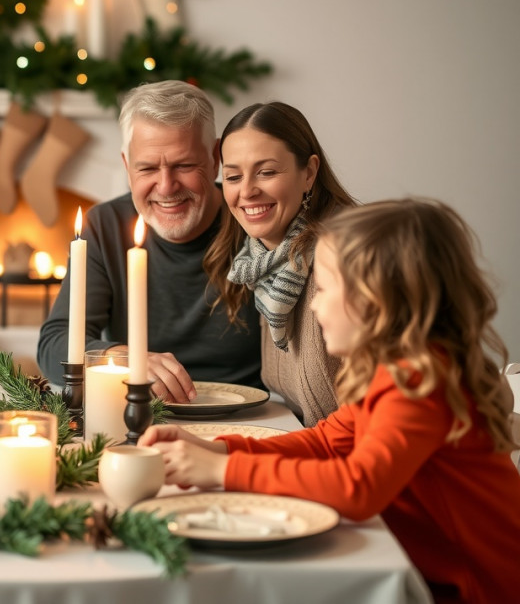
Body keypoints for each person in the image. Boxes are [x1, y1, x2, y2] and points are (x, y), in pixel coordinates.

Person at [140, 198, 520, 603]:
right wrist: (217, 448)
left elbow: (359, 488)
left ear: (374, 301)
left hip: (483, 590)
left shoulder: (418, 382)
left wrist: (223, 470)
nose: (314, 304)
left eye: (322, 289)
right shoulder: (393, 371)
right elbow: (325, 443)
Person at [37, 80, 261, 400]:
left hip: (249, 411)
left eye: (184, 165)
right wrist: (126, 359)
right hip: (140, 410)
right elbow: (54, 343)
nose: (166, 187)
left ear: (215, 157)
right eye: (147, 168)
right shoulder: (105, 226)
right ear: (127, 166)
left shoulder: (254, 219)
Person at [203, 102, 356, 426]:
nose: (247, 191)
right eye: (233, 176)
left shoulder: (348, 255)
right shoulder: (264, 263)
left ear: (309, 173)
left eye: (267, 172)